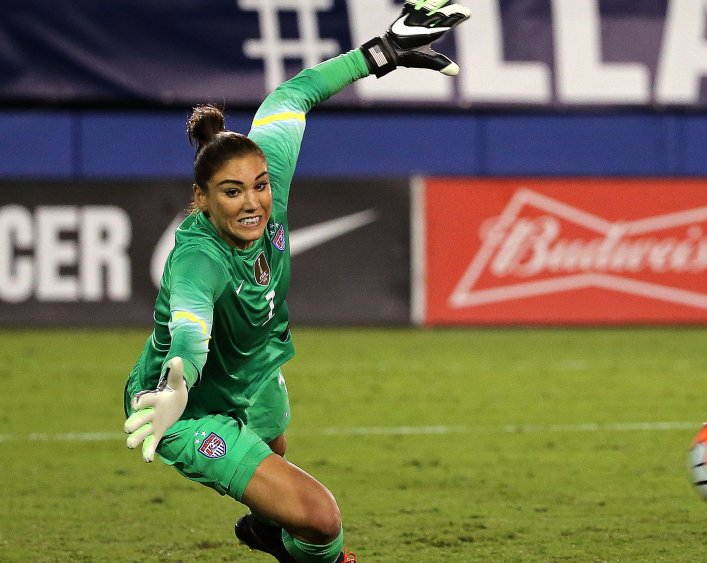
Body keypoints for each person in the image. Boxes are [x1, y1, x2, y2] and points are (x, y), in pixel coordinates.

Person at [121, 2, 471, 561]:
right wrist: (173, 391)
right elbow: (190, 328)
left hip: (253, 370)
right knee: (319, 520)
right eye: (232, 192)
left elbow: (292, 96)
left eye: (259, 185)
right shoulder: (197, 260)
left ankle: (264, 531)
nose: (254, 201)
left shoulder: (269, 181)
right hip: (184, 408)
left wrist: (381, 52)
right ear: (203, 200)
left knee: (276, 457)